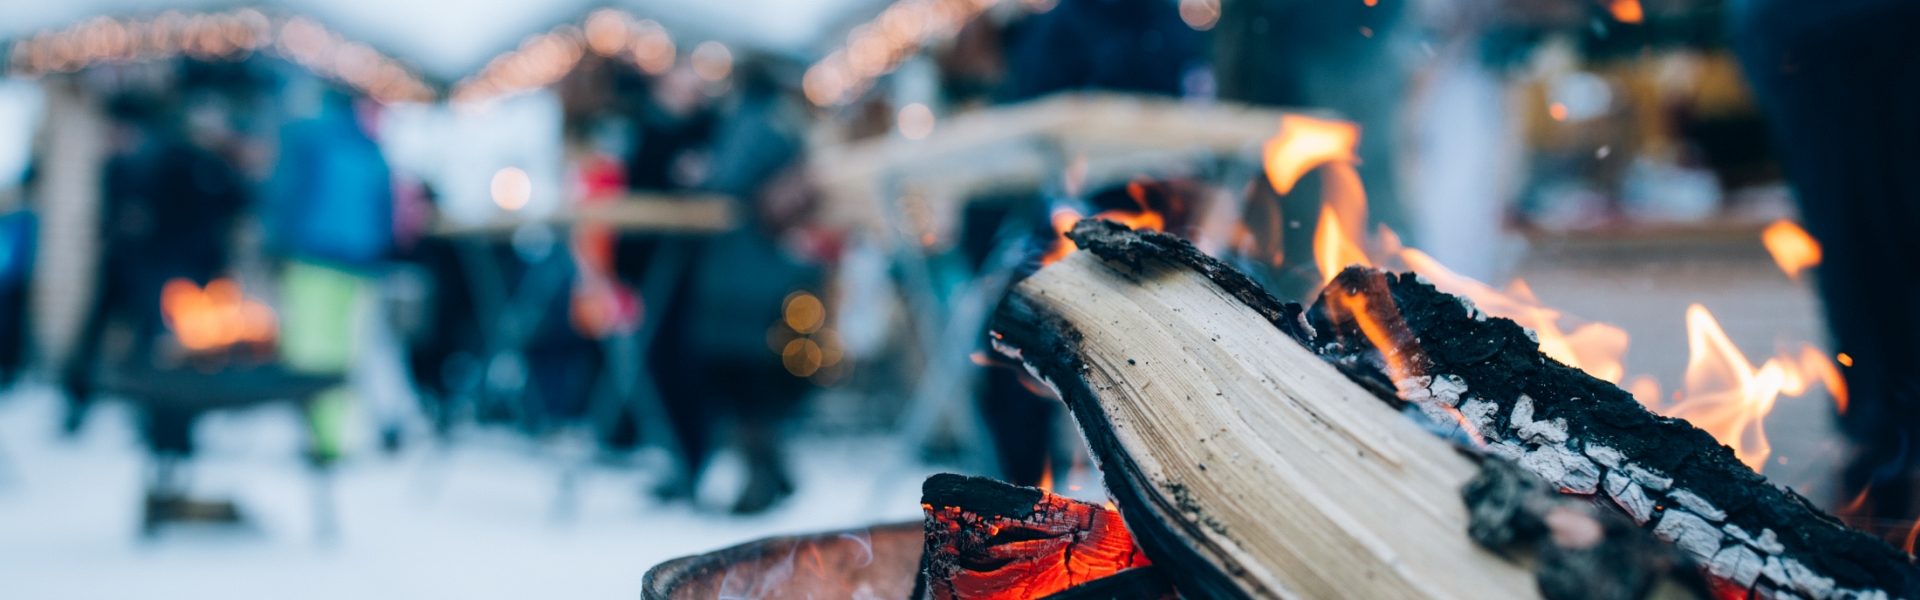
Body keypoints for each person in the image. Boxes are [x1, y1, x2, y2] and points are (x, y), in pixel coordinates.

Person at [1733, 0, 1920, 521]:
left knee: (1866, 244)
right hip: (1829, 28)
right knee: (1862, 242)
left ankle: (1884, 455)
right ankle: (1885, 464)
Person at [266, 86, 394, 463]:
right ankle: (335, 438)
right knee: (342, 352)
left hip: (316, 259)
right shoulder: (369, 146)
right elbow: (383, 205)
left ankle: (323, 439)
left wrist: (277, 243)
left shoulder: (308, 134)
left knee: (312, 350)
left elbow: (284, 192)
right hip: (353, 261)